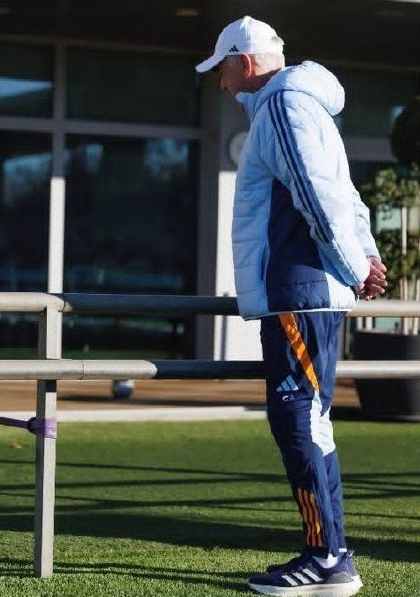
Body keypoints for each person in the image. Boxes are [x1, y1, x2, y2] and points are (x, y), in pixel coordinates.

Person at [195, 16, 388, 597]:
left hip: (301, 290)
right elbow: (346, 195)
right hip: (312, 290)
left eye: (223, 69)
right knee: (312, 420)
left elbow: (318, 196)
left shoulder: (281, 107)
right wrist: (365, 258)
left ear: (245, 63)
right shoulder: (306, 107)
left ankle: (327, 557)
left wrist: (357, 266)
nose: (222, 82)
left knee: (298, 417)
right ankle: (334, 554)